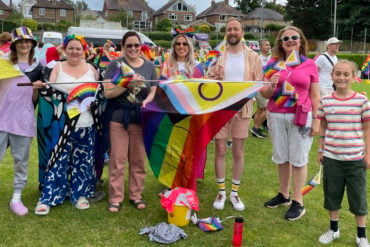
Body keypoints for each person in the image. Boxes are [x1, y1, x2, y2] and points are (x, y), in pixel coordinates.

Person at [35, 34, 99, 216]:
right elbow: (50, 93)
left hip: (86, 124)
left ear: (84, 51)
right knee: (57, 160)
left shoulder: (93, 69)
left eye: (78, 48)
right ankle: (49, 197)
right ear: (64, 48)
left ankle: (80, 195)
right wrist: (41, 87)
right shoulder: (56, 67)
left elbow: (98, 95)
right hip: (61, 124)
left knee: (83, 161)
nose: (74, 52)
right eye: (71, 48)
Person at [260, 26, 320, 220]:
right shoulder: (272, 64)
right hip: (276, 115)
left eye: (294, 37)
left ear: (300, 41)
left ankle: (298, 201)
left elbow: (315, 94)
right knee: (281, 156)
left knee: (299, 158)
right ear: (281, 43)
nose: (290, 40)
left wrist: (317, 120)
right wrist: (272, 85)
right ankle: (284, 195)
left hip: (301, 116)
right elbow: (264, 93)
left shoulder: (309, 64)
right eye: (286, 38)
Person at [208, 18, 262, 211]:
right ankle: (221, 191)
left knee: (238, 152)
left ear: (242, 32)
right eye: (229, 29)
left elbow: (259, 82)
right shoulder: (217, 55)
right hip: (221, 109)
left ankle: (234, 193)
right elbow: (207, 80)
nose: (232, 32)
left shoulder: (253, 56)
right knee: (220, 151)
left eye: (236, 29)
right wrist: (214, 75)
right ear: (226, 32)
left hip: (243, 109)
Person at [317, 60, 370, 246]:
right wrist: (321, 148)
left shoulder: (362, 101)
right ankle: (333, 230)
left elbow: (367, 128)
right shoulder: (325, 101)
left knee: (358, 197)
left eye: (346, 74)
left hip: (355, 159)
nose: (341, 77)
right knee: (332, 195)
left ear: (353, 77)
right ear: (331, 76)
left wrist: (368, 153)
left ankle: (361, 235)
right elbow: (323, 125)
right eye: (337, 73)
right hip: (332, 158)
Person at [104, 31, 157, 213]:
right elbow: (108, 93)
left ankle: (136, 195)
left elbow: (154, 89)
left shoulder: (150, 66)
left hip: (140, 118)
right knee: (117, 160)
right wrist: (126, 84)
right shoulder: (115, 65)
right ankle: (116, 198)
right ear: (123, 47)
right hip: (118, 118)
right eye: (129, 46)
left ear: (140, 46)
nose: (133, 49)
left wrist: (148, 99)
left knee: (138, 160)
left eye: (136, 45)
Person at [0, 26, 43, 216]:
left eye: (28, 41)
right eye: (21, 41)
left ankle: (16, 197)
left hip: (23, 121)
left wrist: (36, 89)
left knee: (21, 162)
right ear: (14, 44)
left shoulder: (38, 67)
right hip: (1, 118)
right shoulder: (2, 63)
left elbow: (34, 101)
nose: (25, 44)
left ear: (32, 44)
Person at [250, 39, 271, 138]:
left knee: (260, 109)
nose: (268, 46)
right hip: (260, 86)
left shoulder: (270, 57)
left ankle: (256, 128)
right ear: (261, 47)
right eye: (266, 45)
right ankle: (256, 128)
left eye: (269, 45)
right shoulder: (258, 58)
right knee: (268, 108)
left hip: (267, 86)